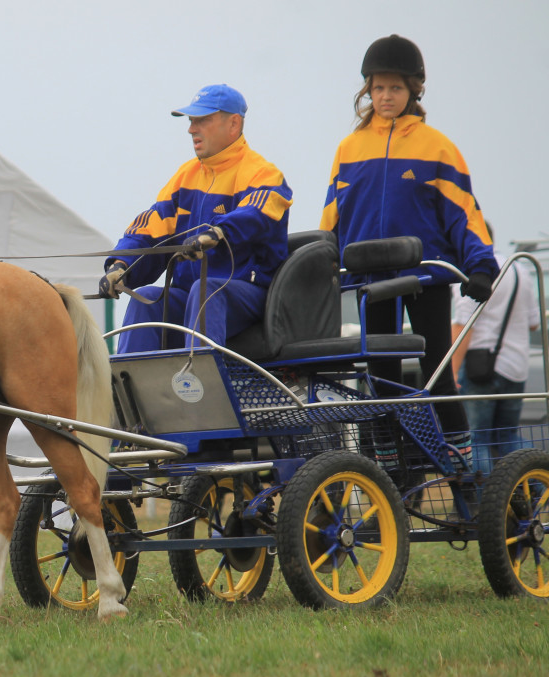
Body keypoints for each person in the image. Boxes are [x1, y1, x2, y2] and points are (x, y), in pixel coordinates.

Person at [320, 35, 499, 463]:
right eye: (378, 88)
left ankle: (462, 465)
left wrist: (482, 266)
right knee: (380, 377)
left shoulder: (437, 146)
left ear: (414, 91)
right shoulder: (349, 148)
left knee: (436, 371)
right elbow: (332, 217)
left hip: (425, 277)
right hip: (369, 279)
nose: (386, 96)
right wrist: (321, 266)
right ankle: (386, 468)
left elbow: (464, 213)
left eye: (395, 88)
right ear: (367, 91)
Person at [99, 84, 293, 352]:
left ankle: (198, 384)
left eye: (202, 120)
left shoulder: (263, 174)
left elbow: (255, 213)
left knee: (205, 292)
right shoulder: (185, 176)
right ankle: (128, 387)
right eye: (191, 121)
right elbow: (152, 225)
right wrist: (121, 265)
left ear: (234, 124)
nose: (191, 129)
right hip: (193, 295)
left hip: (247, 296)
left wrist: (218, 232)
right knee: (146, 298)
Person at [451, 232, 540, 475]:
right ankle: (538, 485)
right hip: (517, 366)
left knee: (478, 440)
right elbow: (534, 322)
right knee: (508, 437)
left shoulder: (472, 272)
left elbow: (463, 325)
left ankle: (487, 508)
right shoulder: (519, 270)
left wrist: (451, 373)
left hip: (481, 368)